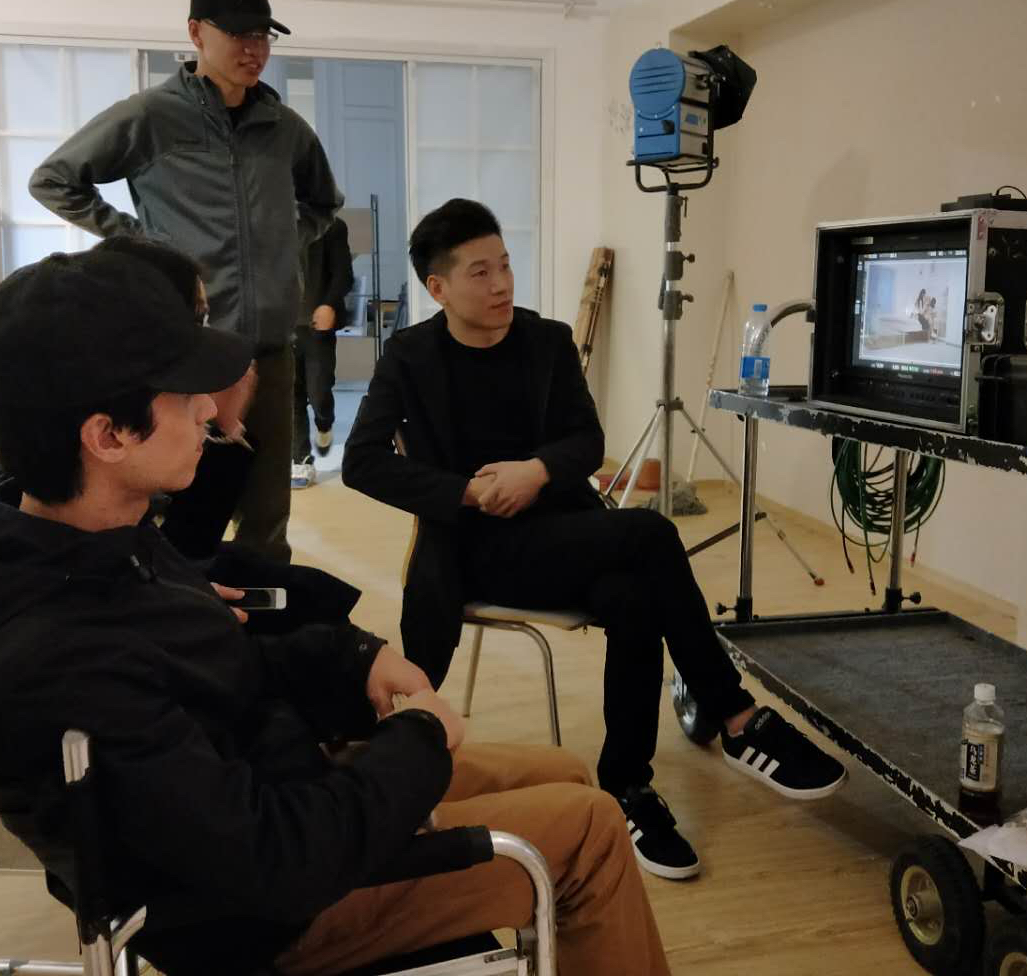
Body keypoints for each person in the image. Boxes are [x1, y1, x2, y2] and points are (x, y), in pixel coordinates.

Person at [0, 245, 671, 976]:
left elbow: (215, 668)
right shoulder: (51, 652)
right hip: (265, 916)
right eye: (184, 394)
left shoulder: (88, 537)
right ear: (108, 434)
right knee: (592, 831)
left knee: (568, 775)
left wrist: (355, 661)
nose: (207, 408)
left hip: (276, 789)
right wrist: (419, 738)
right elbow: (278, 862)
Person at [342, 198, 848, 882]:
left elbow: (586, 440)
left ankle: (626, 786)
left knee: (634, 595)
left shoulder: (546, 341)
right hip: (474, 551)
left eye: (506, 265)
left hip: (562, 532)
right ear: (438, 288)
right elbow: (363, 461)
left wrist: (536, 471)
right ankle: (733, 714)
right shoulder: (410, 356)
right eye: (480, 273)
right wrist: (467, 492)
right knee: (651, 533)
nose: (502, 284)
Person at [29, 0, 343, 563]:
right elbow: (54, 180)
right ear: (197, 33)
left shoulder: (285, 129)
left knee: (267, 512)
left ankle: (257, 607)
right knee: (177, 507)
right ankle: (174, 605)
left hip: (269, 352)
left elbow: (323, 204)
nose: (254, 50)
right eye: (239, 35)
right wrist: (145, 243)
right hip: (187, 350)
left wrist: (282, 241)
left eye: (263, 37)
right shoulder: (152, 117)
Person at [292, 216, 354, 487]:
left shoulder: (332, 227)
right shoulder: (271, 225)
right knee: (291, 395)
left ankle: (324, 423)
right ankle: (301, 460)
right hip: (283, 325)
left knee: (319, 390)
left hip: (318, 325)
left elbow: (344, 274)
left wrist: (329, 304)